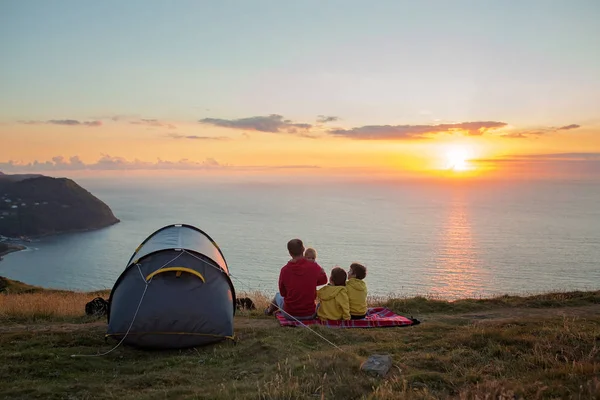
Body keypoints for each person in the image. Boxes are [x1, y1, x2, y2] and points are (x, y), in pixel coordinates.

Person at [265, 239, 327, 319]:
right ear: (303, 249)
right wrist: (309, 281)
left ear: (290, 253)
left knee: (278, 295)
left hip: (290, 315)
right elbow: (324, 280)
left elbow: (283, 293)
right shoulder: (314, 266)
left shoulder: (284, 270)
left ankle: (269, 311)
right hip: (310, 315)